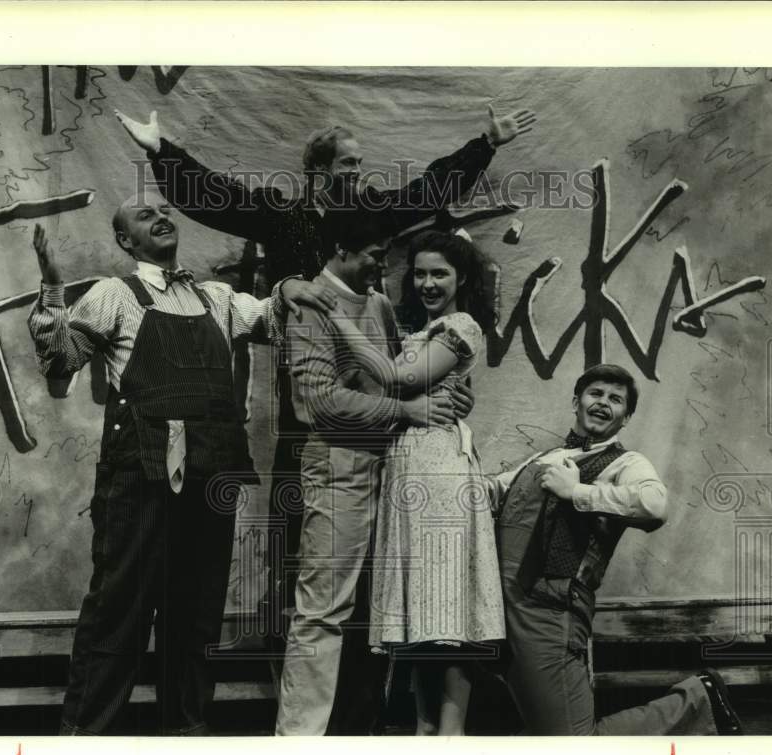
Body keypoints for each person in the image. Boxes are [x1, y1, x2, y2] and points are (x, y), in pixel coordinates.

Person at [113, 106, 536, 704]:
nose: (358, 173)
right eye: (347, 164)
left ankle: (359, 708)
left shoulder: (369, 218)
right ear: (316, 171)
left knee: (372, 562)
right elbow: (214, 199)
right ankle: (302, 706)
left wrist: (485, 145)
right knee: (305, 557)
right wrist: (162, 151)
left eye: (361, 163)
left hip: (378, 404)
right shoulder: (283, 217)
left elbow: (429, 190)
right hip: (310, 407)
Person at [26, 193, 335, 735]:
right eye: (145, 215)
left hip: (211, 476)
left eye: (165, 210)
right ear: (125, 240)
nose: (162, 217)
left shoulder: (217, 298)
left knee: (196, 617)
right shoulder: (114, 294)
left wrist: (287, 285)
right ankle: (85, 746)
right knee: (118, 612)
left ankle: (185, 737)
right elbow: (61, 360)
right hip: (138, 477)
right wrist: (53, 289)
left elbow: (274, 320)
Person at [275, 207, 473, 736]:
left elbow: (402, 375)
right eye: (374, 256)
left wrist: (452, 394)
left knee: (376, 614)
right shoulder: (310, 304)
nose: (383, 267)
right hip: (338, 473)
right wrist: (404, 411)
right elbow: (317, 403)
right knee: (323, 612)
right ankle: (298, 746)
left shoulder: (379, 304)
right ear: (341, 249)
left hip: (389, 472)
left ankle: (358, 731)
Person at [486, 364, 744, 736]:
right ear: (576, 401)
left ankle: (698, 700)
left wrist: (577, 492)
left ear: (626, 417)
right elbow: (491, 492)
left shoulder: (627, 463)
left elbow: (655, 506)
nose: (603, 403)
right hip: (501, 608)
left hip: (549, 611)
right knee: (530, 730)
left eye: (615, 399)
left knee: (571, 742)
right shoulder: (542, 458)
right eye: (596, 393)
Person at [328, 230, 504, 735]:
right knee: (423, 606)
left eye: (439, 274)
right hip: (409, 465)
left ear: (461, 279)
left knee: (446, 603)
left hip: (440, 471)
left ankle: (450, 730)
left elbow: (400, 378)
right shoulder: (423, 328)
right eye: (421, 273)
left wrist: (339, 321)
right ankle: (427, 726)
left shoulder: (461, 325)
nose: (428, 283)